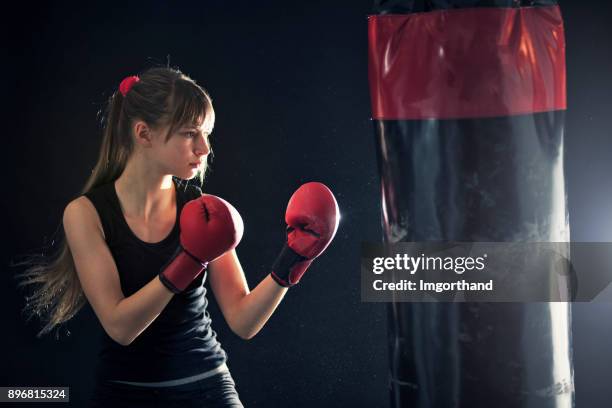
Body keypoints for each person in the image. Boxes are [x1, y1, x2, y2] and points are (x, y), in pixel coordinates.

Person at [16, 66, 340, 407]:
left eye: (206, 133)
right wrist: (190, 260)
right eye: (190, 134)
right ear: (144, 134)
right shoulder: (85, 214)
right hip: (124, 393)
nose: (204, 148)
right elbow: (120, 327)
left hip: (208, 385)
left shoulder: (201, 207)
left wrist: (295, 258)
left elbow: (243, 321)